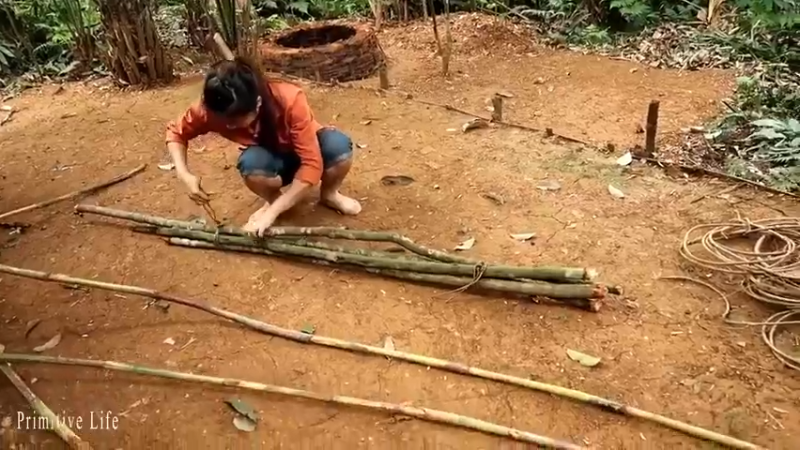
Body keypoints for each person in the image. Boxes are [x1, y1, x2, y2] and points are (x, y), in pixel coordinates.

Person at [164, 57, 361, 237]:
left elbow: (312, 164)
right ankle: (275, 200)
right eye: (224, 121)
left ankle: (329, 194)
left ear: (257, 104)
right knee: (251, 164)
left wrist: (273, 214)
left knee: (339, 147)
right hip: (271, 158)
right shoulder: (208, 110)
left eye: (237, 120)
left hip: (308, 149)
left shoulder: (290, 100)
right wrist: (184, 174)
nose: (229, 126)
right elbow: (176, 133)